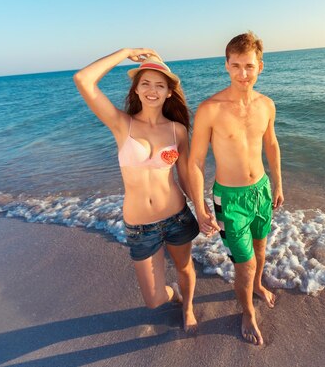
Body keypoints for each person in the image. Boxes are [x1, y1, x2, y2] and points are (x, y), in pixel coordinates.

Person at [73, 49, 199, 332]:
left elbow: (186, 174)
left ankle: (188, 306)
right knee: (154, 300)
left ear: (169, 92)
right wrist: (127, 51)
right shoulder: (122, 124)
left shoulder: (178, 130)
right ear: (136, 89)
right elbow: (83, 79)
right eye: (145, 83)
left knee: (184, 268)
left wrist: (201, 210)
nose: (152, 90)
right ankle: (174, 295)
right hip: (141, 226)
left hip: (177, 216)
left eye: (159, 84)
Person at [189, 32, 284, 345]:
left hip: (261, 190)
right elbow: (196, 162)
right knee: (244, 264)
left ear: (261, 67)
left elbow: (271, 143)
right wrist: (201, 207)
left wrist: (278, 183)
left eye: (250, 66)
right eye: (236, 66)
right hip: (230, 199)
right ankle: (247, 312)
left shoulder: (266, 105)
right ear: (226, 66)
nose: (243, 73)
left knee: (260, 250)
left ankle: (257, 286)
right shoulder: (210, 109)